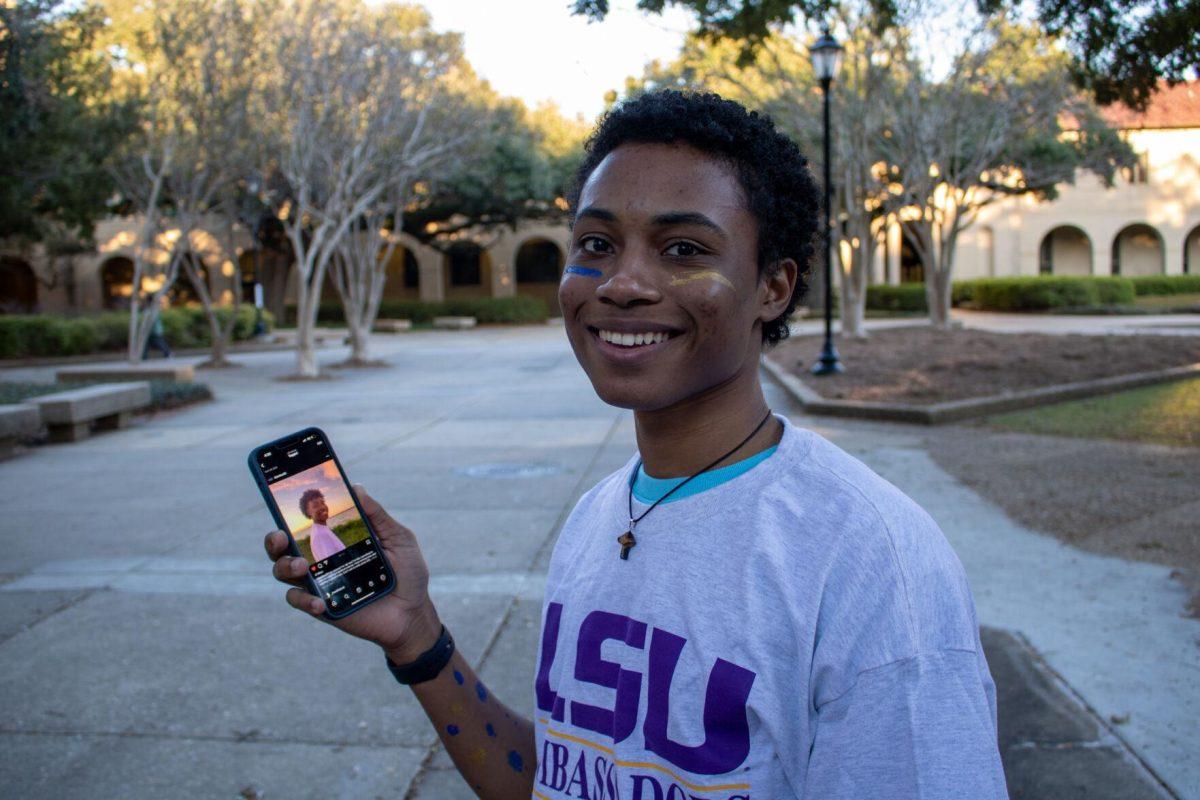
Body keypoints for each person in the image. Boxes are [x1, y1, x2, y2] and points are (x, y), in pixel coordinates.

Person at [264, 90, 1009, 799]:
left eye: (683, 248)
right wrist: (417, 638)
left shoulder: (869, 561)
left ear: (774, 288)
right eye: (596, 243)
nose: (620, 283)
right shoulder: (599, 515)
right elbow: (561, 781)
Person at [298, 489, 346, 563]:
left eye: (323, 502)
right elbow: (335, 566)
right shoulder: (320, 535)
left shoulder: (321, 529)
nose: (322, 507)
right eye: (315, 505)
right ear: (308, 512)